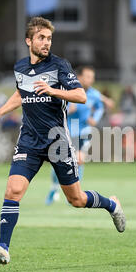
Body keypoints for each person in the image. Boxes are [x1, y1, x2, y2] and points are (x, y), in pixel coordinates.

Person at [0, 17, 126, 265]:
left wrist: (53, 90)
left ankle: (111, 204)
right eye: (41, 38)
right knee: (13, 191)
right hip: (29, 141)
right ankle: (3, 248)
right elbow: (20, 93)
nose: (46, 43)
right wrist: (1, 112)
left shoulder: (59, 65)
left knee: (76, 200)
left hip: (57, 141)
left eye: (48, 38)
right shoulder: (21, 68)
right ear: (29, 41)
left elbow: (80, 95)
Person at [45, 65, 105, 205]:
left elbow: (100, 107)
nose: (91, 80)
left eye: (92, 77)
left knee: (79, 160)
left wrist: (95, 118)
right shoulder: (69, 91)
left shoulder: (94, 94)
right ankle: (54, 188)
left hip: (84, 132)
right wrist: (67, 110)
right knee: (59, 163)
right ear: (80, 77)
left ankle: (76, 193)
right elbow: (54, 109)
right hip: (66, 132)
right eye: (88, 76)